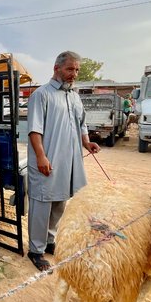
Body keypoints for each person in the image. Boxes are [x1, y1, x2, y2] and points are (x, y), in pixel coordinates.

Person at [26, 51, 101, 271]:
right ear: (56, 68)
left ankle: (49, 242)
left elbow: (82, 124)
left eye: (76, 70)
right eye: (70, 69)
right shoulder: (41, 95)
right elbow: (34, 129)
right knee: (42, 204)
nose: (74, 74)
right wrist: (40, 156)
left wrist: (87, 143)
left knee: (60, 203)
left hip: (69, 161)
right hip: (47, 160)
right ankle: (35, 250)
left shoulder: (75, 97)